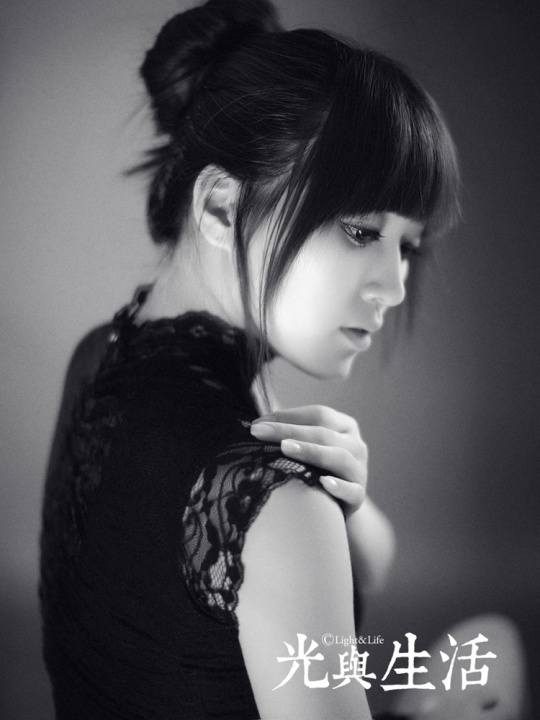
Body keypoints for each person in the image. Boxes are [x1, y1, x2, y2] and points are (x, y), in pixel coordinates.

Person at [38, 0, 467, 718]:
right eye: (361, 231)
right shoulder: (272, 498)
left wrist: (349, 499)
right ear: (221, 208)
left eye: (407, 246)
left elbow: (372, 563)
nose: (394, 286)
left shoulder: (99, 357)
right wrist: (314, 509)